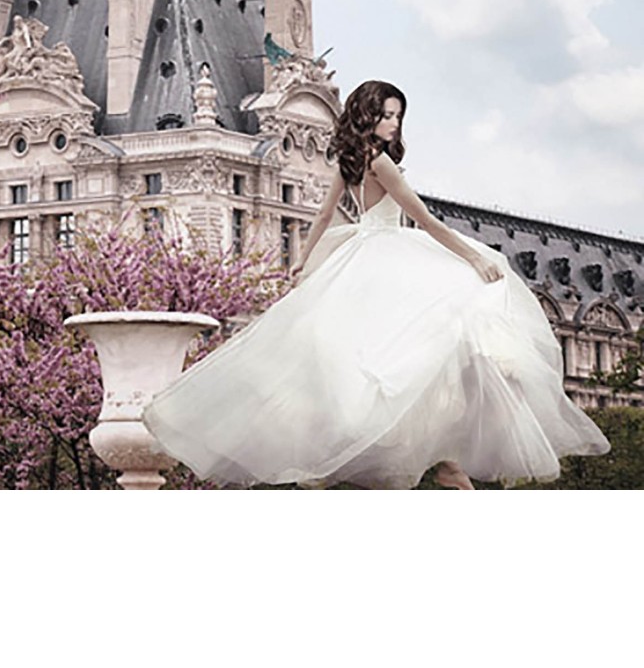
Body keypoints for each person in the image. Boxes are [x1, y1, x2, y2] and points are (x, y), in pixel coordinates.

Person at [141, 80, 611, 489]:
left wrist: (301, 265)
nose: (394, 124)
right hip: (389, 251)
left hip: (360, 257)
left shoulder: (349, 161)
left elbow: (323, 216)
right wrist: (472, 256)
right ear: (368, 116)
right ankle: (445, 460)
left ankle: (431, 459)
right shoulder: (380, 163)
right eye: (387, 115)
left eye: (398, 116)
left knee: (379, 360)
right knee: (438, 343)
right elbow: (423, 218)